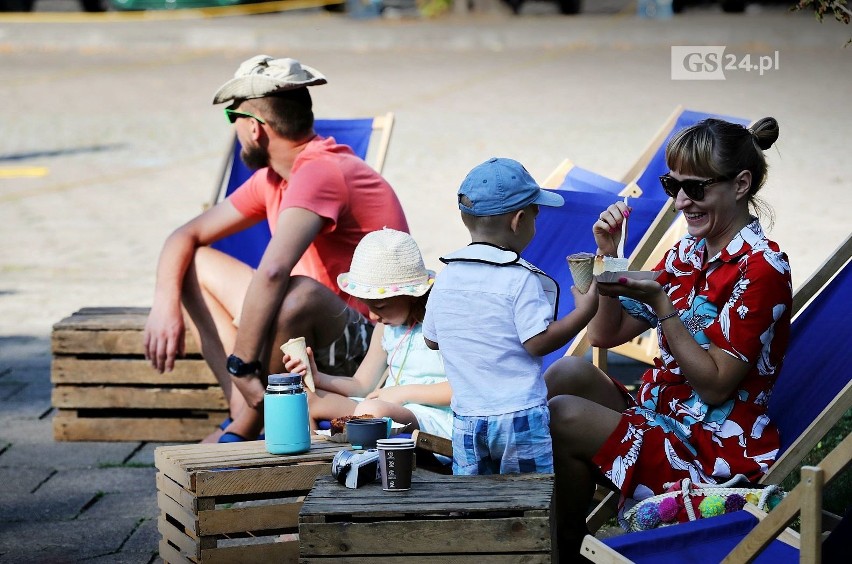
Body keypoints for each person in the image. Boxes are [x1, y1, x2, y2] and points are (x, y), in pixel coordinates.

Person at [544, 117, 792, 557]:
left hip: (709, 457)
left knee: (563, 415)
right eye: (671, 185)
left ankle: (562, 549)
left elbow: (715, 384)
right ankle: (547, 528)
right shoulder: (688, 252)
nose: (680, 203)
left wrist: (665, 308)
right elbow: (606, 334)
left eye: (695, 189)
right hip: (661, 419)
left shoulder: (762, 270)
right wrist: (609, 257)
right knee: (566, 372)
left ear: (740, 185)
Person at [142, 55, 409, 443]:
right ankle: (245, 415)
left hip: (367, 347)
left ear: (253, 129)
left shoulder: (320, 171)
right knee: (192, 263)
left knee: (295, 293)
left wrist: (242, 365)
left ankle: (246, 423)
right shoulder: (274, 178)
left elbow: (273, 271)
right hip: (306, 340)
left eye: (232, 120)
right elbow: (183, 237)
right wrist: (165, 302)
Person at [422, 157, 599, 476]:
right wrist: (584, 312)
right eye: (536, 213)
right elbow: (538, 343)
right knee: (530, 499)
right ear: (519, 221)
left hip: (467, 417)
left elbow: (431, 340)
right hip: (519, 416)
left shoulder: (447, 276)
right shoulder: (521, 278)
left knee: (475, 503)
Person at [283, 228, 453, 439]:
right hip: (379, 406)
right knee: (299, 398)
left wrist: (401, 393)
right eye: (368, 306)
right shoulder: (386, 328)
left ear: (410, 295)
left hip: (429, 416)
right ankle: (310, 467)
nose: (372, 316)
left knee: (374, 412)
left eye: (380, 306)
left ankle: (358, 461)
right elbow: (362, 386)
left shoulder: (442, 322)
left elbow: (459, 389)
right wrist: (318, 378)